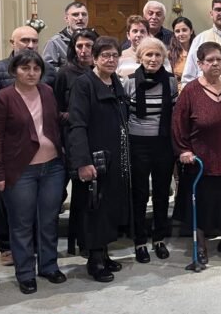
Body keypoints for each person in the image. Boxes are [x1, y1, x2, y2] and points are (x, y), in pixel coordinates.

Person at [0, 50, 66, 295]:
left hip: (52, 167)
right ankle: (25, 273)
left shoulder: (47, 91)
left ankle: (49, 266)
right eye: (25, 68)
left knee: (48, 220)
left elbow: (53, 121)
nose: (31, 73)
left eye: (36, 68)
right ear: (14, 71)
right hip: (21, 170)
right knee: (21, 223)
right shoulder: (3, 98)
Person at [0, 25, 55, 267]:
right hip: (17, 160)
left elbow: (53, 114)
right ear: (12, 43)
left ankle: (45, 261)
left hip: (48, 161)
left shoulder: (47, 81)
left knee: (44, 217)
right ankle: (15, 258)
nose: (30, 45)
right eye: (25, 40)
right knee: (16, 216)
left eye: (34, 40)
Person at [67, 36, 132, 282]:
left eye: (115, 55)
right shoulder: (84, 84)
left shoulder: (115, 82)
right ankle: (94, 260)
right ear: (94, 58)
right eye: (105, 55)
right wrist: (83, 162)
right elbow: (77, 125)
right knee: (93, 209)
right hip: (93, 158)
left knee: (108, 207)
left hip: (114, 158)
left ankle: (104, 253)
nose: (110, 60)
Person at [173, 41, 221, 263]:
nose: (215, 64)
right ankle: (200, 242)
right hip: (199, 160)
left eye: (219, 59)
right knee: (201, 202)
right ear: (200, 63)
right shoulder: (190, 91)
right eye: (210, 60)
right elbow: (178, 123)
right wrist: (184, 150)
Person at [123, 37, 179, 263]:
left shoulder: (171, 81)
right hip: (137, 143)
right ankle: (140, 241)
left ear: (163, 58)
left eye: (157, 55)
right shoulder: (128, 82)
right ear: (140, 57)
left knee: (162, 193)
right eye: (148, 54)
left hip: (163, 143)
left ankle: (159, 238)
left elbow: (174, 113)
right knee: (139, 193)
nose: (153, 59)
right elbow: (124, 115)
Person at [53, 27, 98, 255]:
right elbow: (56, 109)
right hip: (73, 139)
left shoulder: (102, 72)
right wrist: (75, 116)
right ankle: (79, 241)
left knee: (95, 195)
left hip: (98, 139)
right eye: (79, 46)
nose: (84, 50)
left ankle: (93, 239)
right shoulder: (64, 73)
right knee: (79, 193)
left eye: (89, 46)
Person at [43, 2, 89, 71]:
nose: (80, 18)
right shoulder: (55, 42)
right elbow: (48, 70)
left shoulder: (95, 40)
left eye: (84, 14)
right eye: (75, 14)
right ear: (66, 19)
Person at [169, 16, 195, 84]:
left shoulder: (198, 52)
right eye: (177, 31)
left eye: (184, 30)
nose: (181, 34)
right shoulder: (170, 54)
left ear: (191, 31)